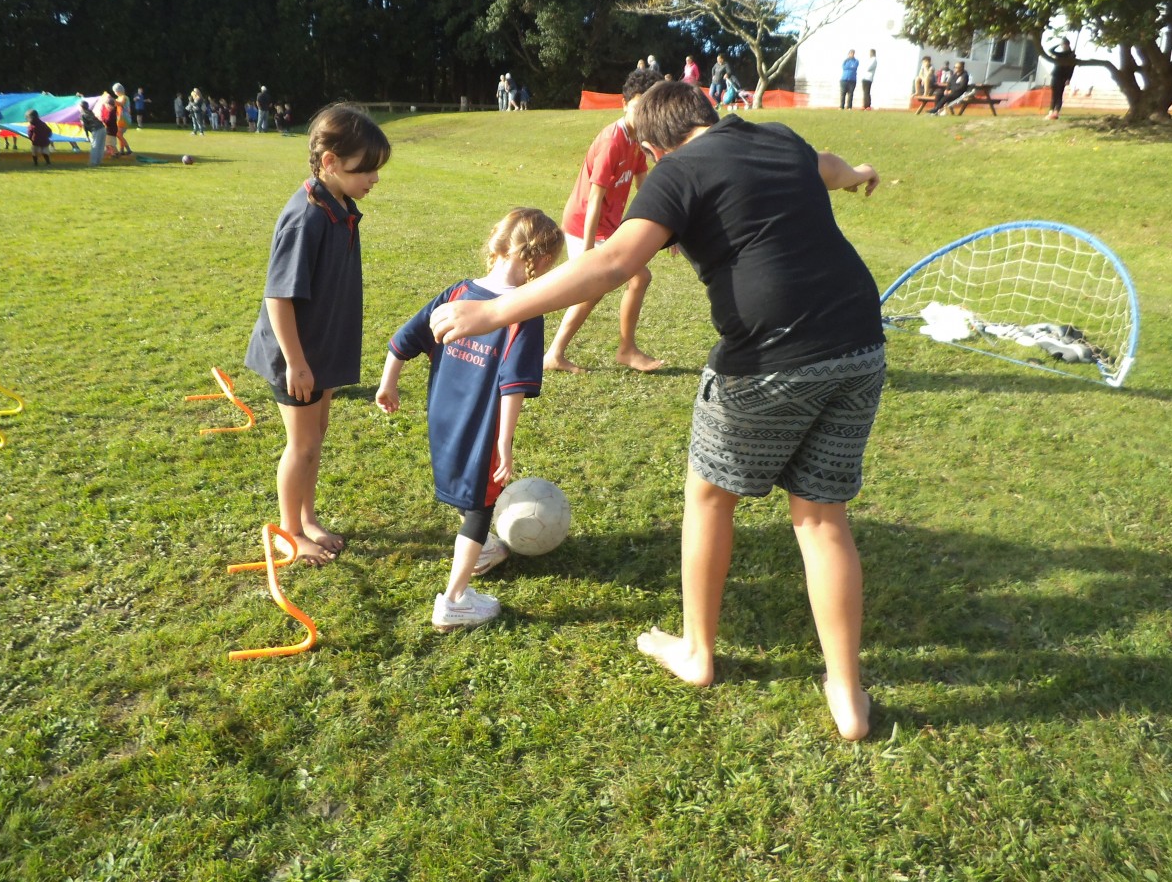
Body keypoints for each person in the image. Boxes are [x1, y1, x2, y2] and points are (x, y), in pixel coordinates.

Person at [429, 81, 885, 741]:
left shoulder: (677, 170)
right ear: (708, 114)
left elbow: (613, 260)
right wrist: (862, 173)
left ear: (651, 146)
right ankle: (846, 692)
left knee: (709, 497)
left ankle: (697, 652)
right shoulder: (777, 138)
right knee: (820, 519)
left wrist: (495, 310)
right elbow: (831, 168)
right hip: (858, 345)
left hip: (770, 356)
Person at [375, 208, 564, 627]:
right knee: (481, 507)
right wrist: (504, 442)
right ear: (544, 259)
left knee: (467, 490)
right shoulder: (523, 311)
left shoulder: (458, 292)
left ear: (497, 242)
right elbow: (512, 384)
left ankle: (483, 551)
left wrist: (389, 384)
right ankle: (455, 599)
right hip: (481, 426)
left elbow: (404, 339)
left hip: (442, 418)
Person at [244, 104, 391, 566]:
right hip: (296, 356)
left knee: (317, 435)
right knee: (303, 444)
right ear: (330, 162)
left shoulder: (339, 205)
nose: (374, 178)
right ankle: (289, 533)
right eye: (365, 169)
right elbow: (278, 298)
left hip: (318, 349)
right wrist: (297, 363)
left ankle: (307, 519)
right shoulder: (305, 218)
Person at [544, 66, 664, 375]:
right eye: (637, 107)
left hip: (608, 228)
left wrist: (666, 224)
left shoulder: (637, 141)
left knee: (630, 280)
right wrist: (587, 254)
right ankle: (561, 351)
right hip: (584, 224)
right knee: (602, 285)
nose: (642, 115)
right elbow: (594, 199)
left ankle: (619, 350)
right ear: (624, 105)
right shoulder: (613, 140)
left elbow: (645, 186)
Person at [1046, 38, 1076, 120]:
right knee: (1054, 95)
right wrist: (1058, 44)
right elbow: (1050, 50)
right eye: (1062, 45)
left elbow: (1071, 69)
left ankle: (1056, 112)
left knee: (1059, 95)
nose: (1064, 46)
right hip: (1055, 75)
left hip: (1063, 77)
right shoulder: (1060, 54)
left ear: (1068, 45)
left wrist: (1068, 79)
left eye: (1065, 44)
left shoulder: (1071, 55)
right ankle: (1051, 112)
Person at [78, 99, 105, 167]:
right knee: (100, 146)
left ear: (81, 107)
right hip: (102, 128)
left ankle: (93, 162)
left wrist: (87, 136)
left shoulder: (82, 115)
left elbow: (85, 126)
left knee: (95, 146)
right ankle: (98, 161)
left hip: (96, 129)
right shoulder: (90, 111)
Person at [111, 83, 134, 154]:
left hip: (124, 119)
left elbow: (120, 103)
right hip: (121, 119)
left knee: (118, 134)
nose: (114, 93)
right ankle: (122, 150)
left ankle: (128, 149)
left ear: (118, 91)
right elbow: (115, 105)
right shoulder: (118, 98)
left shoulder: (124, 97)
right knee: (120, 135)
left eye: (115, 91)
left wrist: (111, 99)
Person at [99, 90, 121, 156]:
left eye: (108, 106)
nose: (107, 107)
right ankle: (116, 152)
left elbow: (108, 121)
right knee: (112, 143)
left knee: (109, 143)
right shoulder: (113, 112)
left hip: (110, 131)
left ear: (111, 106)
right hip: (112, 130)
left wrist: (102, 119)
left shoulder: (111, 113)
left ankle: (113, 154)